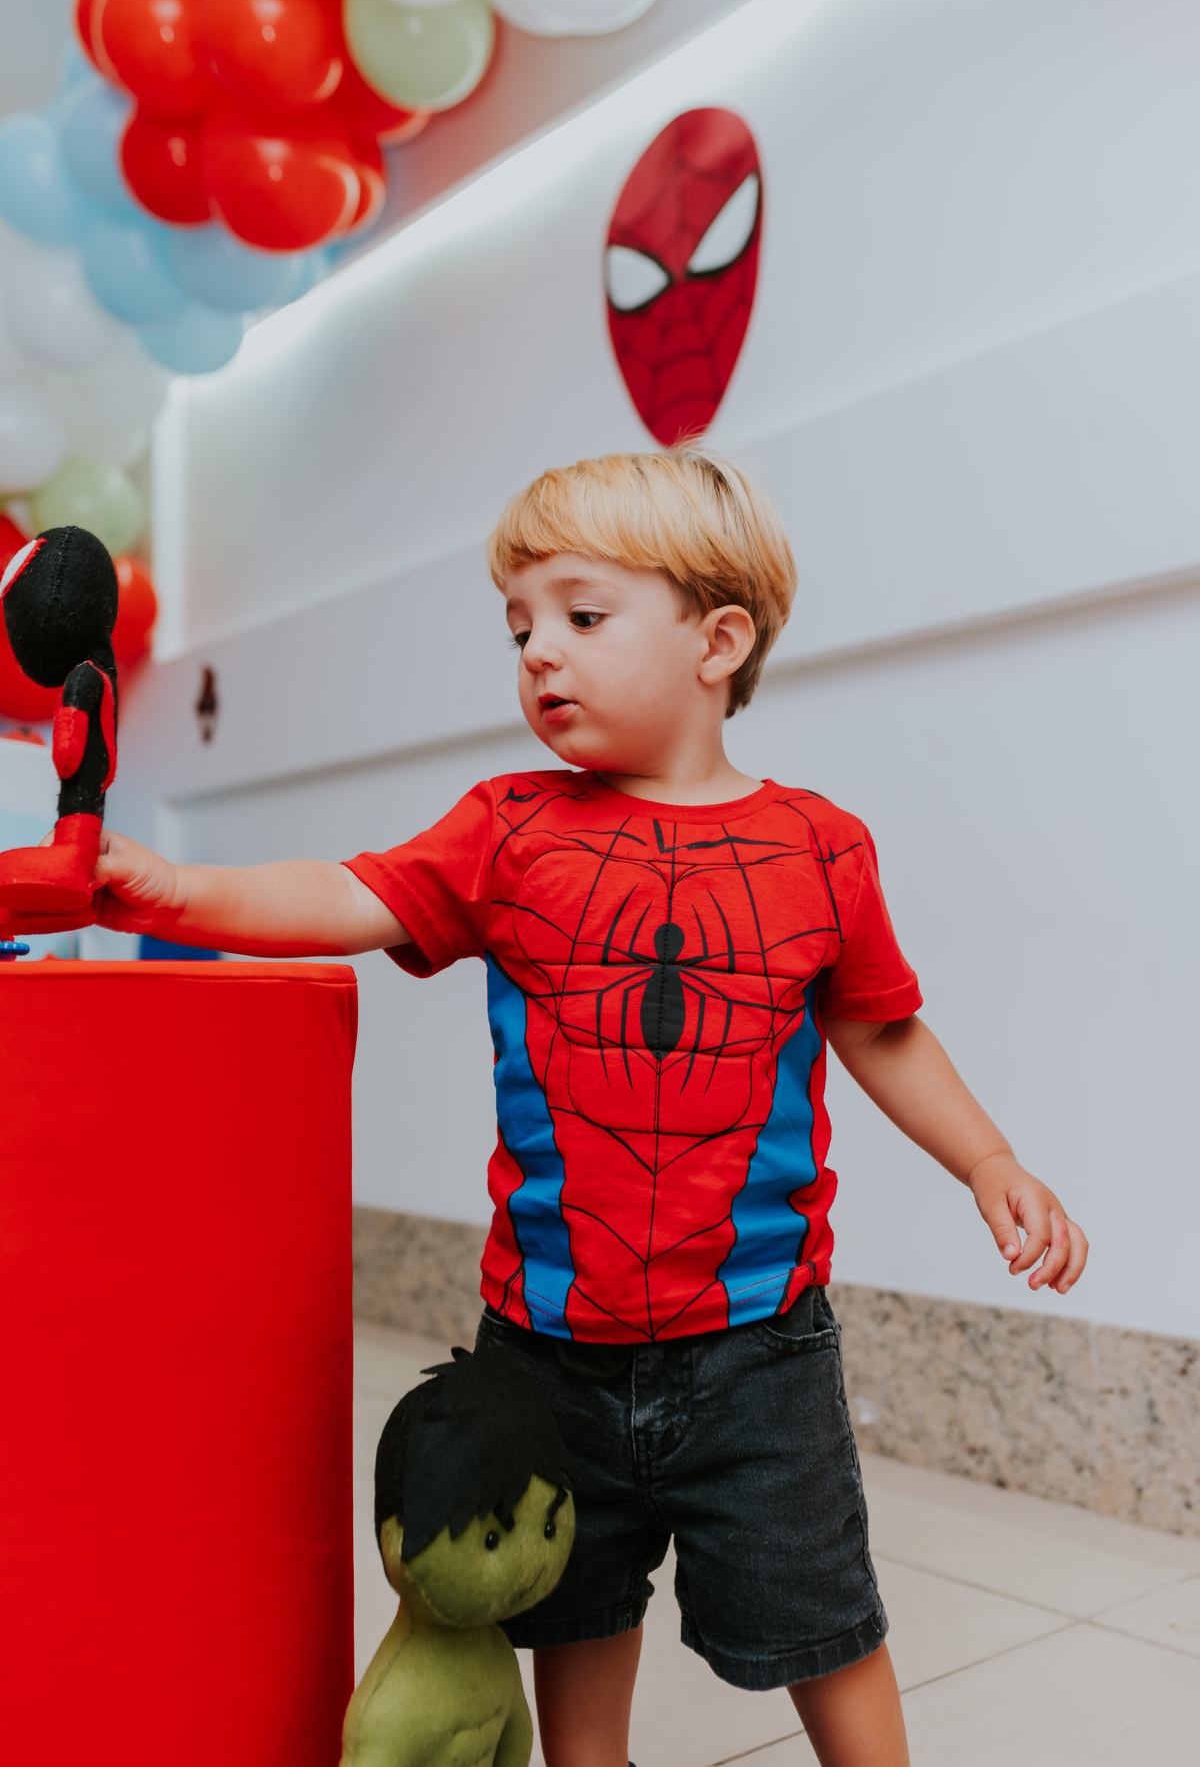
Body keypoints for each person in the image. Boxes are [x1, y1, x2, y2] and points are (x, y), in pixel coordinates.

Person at [89, 449, 1089, 1767]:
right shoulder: (508, 830)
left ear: (717, 640)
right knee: (572, 1601)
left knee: (825, 1613)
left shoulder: (820, 846)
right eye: (518, 628)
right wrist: (168, 887)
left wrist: (991, 1158)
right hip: (546, 1341)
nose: (538, 654)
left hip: (760, 1345)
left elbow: (879, 1024)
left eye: (580, 614)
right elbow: (347, 895)